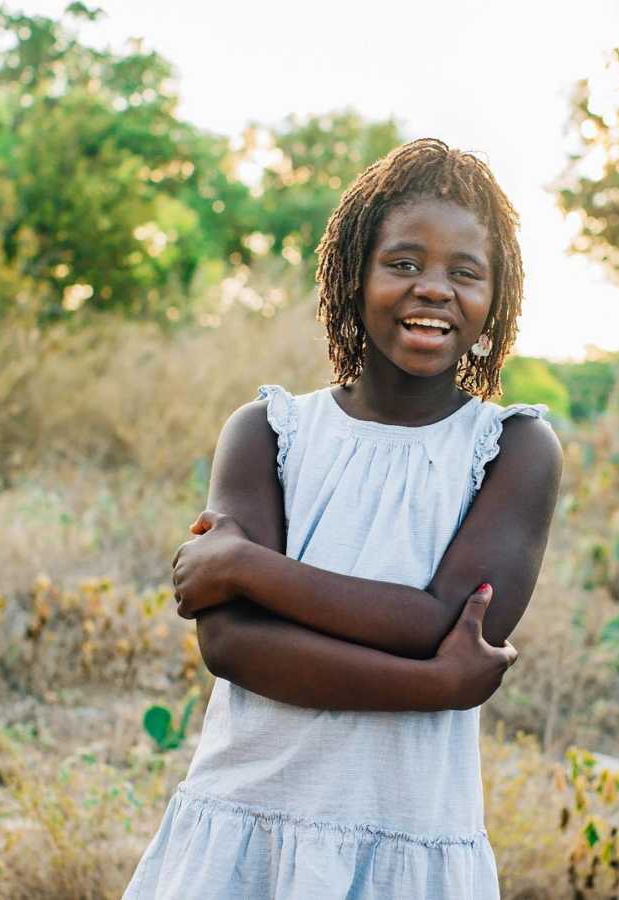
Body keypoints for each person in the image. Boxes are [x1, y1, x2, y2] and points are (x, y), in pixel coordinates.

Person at [122, 138, 563, 899]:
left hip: (406, 833)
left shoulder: (511, 449)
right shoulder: (268, 432)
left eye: (465, 272)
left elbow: (443, 625)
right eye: (403, 264)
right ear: (352, 277)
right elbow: (230, 643)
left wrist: (245, 567)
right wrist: (437, 686)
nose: (433, 288)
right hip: (245, 818)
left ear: (497, 301)